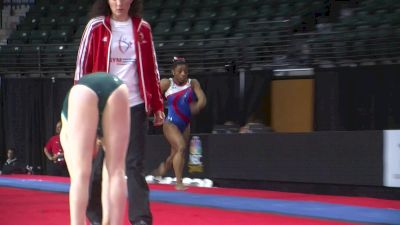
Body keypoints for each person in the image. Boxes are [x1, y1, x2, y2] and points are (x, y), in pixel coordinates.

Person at [75, 0, 164, 224]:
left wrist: (158, 105)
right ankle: (94, 213)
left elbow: (151, 68)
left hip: (134, 106)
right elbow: (82, 66)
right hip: (104, 107)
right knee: (101, 165)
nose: (119, 3)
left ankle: (141, 218)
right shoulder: (95, 27)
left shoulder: (143, 28)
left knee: (134, 165)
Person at [60, 72, 130, 225]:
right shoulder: (68, 132)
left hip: (84, 92)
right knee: (117, 170)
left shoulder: (68, 130)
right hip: (117, 87)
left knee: (80, 174)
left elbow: (76, 178)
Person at [152, 57, 207, 190]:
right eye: (180, 71)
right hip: (170, 123)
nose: (183, 73)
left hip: (185, 125)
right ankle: (178, 183)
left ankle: (162, 169)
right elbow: (152, 96)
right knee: (181, 147)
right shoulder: (167, 83)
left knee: (177, 152)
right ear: (173, 72)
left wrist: (198, 106)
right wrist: (156, 111)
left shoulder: (192, 83)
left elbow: (202, 99)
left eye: (186, 71)